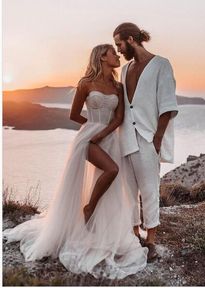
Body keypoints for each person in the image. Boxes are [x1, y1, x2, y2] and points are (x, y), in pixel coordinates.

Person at [3, 44, 147, 279]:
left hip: (109, 137)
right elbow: (73, 114)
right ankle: (88, 208)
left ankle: (98, 222)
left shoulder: (118, 86)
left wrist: (103, 132)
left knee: (110, 177)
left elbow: (120, 117)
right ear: (102, 56)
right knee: (112, 170)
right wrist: (91, 129)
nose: (116, 55)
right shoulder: (85, 83)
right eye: (112, 52)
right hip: (88, 139)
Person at [113, 23, 179, 262]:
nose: (118, 50)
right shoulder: (125, 69)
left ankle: (150, 239)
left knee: (149, 189)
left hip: (147, 138)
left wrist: (157, 140)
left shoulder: (161, 65)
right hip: (125, 137)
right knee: (128, 190)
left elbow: (167, 106)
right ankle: (134, 234)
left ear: (131, 39)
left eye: (119, 44)